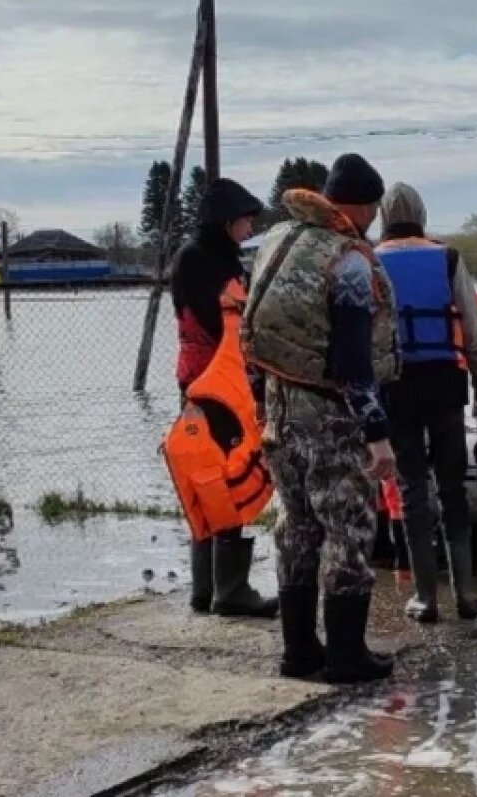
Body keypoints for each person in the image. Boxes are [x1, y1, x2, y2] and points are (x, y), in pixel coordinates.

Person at [242, 153, 398, 684]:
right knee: (347, 527)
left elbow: (254, 326)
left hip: (280, 406)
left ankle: (299, 652)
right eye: (374, 208)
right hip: (331, 413)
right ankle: (347, 656)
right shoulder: (348, 259)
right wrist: (377, 435)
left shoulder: (277, 241)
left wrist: (261, 400)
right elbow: (355, 362)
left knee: (296, 524)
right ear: (364, 205)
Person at [373, 182, 477, 624]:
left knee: (411, 489)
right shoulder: (448, 258)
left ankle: (426, 598)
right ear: (422, 215)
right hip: (446, 381)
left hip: (395, 384)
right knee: (452, 486)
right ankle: (466, 595)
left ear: (384, 217)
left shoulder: (370, 261)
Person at [169, 177, 277, 618]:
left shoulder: (200, 257)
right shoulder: (205, 262)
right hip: (217, 387)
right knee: (226, 476)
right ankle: (230, 589)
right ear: (226, 222)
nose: (249, 229)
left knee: (204, 477)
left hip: (200, 383)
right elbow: (224, 325)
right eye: (246, 221)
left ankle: (206, 588)